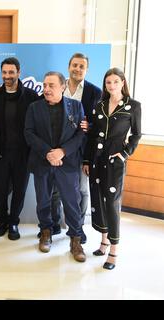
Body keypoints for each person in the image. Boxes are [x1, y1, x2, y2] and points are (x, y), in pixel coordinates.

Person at [83, 67, 141, 270]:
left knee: (112, 205)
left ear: (123, 82)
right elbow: (92, 135)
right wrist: (86, 161)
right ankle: (103, 241)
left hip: (115, 162)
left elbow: (136, 135)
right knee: (98, 201)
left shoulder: (133, 106)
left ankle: (114, 251)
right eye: (108, 82)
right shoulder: (99, 105)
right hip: (97, 160)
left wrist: (125, 154)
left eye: (116, 81)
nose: (112, 85)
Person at [24, 71, 86, 262]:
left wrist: (62, 152)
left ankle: (76, 240)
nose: (47, 89)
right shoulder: (34, 107)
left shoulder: (76, 106)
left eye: (51, 85)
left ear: (62, 86)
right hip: (43, 162)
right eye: (45, 85)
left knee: (71, 203)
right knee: (43, 200)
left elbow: (80, 134)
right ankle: (46, 232)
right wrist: (48, 153)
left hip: (67, 164)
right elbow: (29, 133)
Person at [42, 53, 102, 242]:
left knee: (81, 191)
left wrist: (90, 126)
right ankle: (54, 224)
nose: (77, 69)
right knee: (55, 191)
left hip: (81, 150)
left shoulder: (95, 92)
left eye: (81, 66)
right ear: (69, 67)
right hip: (56, 150)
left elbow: (99, 123)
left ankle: (77, 227)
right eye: (74, 65)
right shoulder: (57, 86)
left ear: (86, 70)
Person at [0, 57, 40, 240]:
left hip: (23, 155)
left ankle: (14, 223)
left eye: (11, 72)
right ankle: (2, 222)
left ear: (18, 72)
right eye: (4, 72)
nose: (7, 76)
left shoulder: (31, 97)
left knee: (19, 190)